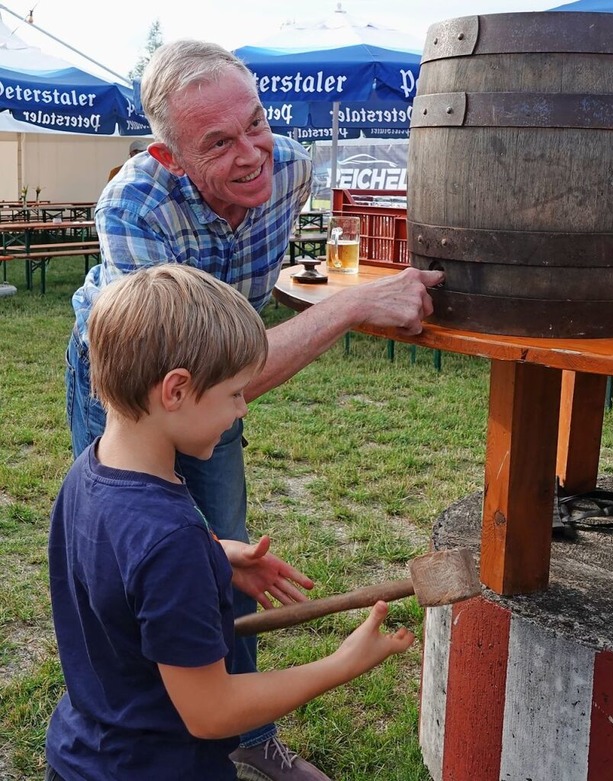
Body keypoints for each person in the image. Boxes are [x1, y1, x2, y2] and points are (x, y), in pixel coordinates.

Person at [65, 38, 443, 781]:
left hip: (204, 381)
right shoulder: (133, 205)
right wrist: (353, 306)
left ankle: (242, 732)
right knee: (138, 548)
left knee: (212, 551)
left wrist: (209, 550)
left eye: (257, 123)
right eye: (219, 142)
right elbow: (195, 373)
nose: (252, 155)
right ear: (170, 157)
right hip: (124, 378)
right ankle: (165, 705)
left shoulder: (293, 168)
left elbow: (219, 376)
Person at [46, 265, 415, 781]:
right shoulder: (171, 541)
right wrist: (341, 664)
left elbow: (118, 573)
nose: (242, 410)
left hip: (85, 752)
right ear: (175, 390)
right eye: (235, 394)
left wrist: (214, 556)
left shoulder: (89, 471)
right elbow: (211, 711)